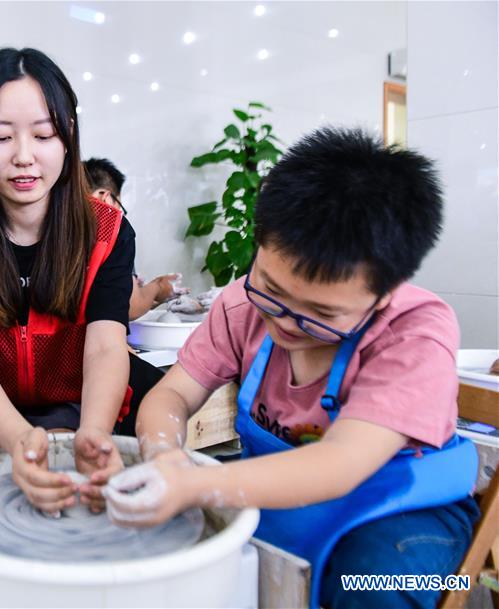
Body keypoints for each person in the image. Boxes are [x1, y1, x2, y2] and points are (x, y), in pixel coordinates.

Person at [103, 127, 479, 609]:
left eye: (321, 315)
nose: (285, 323)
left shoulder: (414, 334)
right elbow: (171, 396)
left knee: (365, 586)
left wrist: (196, 483)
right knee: (178, 540)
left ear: (385, 294)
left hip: (405, 511)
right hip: (279, 482)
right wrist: (164, 458)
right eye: (272, 292)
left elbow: (341, 462)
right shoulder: (242, 304)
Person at [0, 47, 138, 517]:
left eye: (43, 135)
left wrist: (93, 436)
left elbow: (105, 347)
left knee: (65, 462)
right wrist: (18, 440)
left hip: (72, 398)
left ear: (68, 137)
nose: (24, 157)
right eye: (1, 137)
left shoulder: (108, 231)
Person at [83, 157, 185, 321]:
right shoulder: (113, 232)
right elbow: (129, 307)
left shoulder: (54, 224)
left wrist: (126, 284)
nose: (119, 214)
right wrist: (158, 288)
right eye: (119, 205)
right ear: (105, 196)